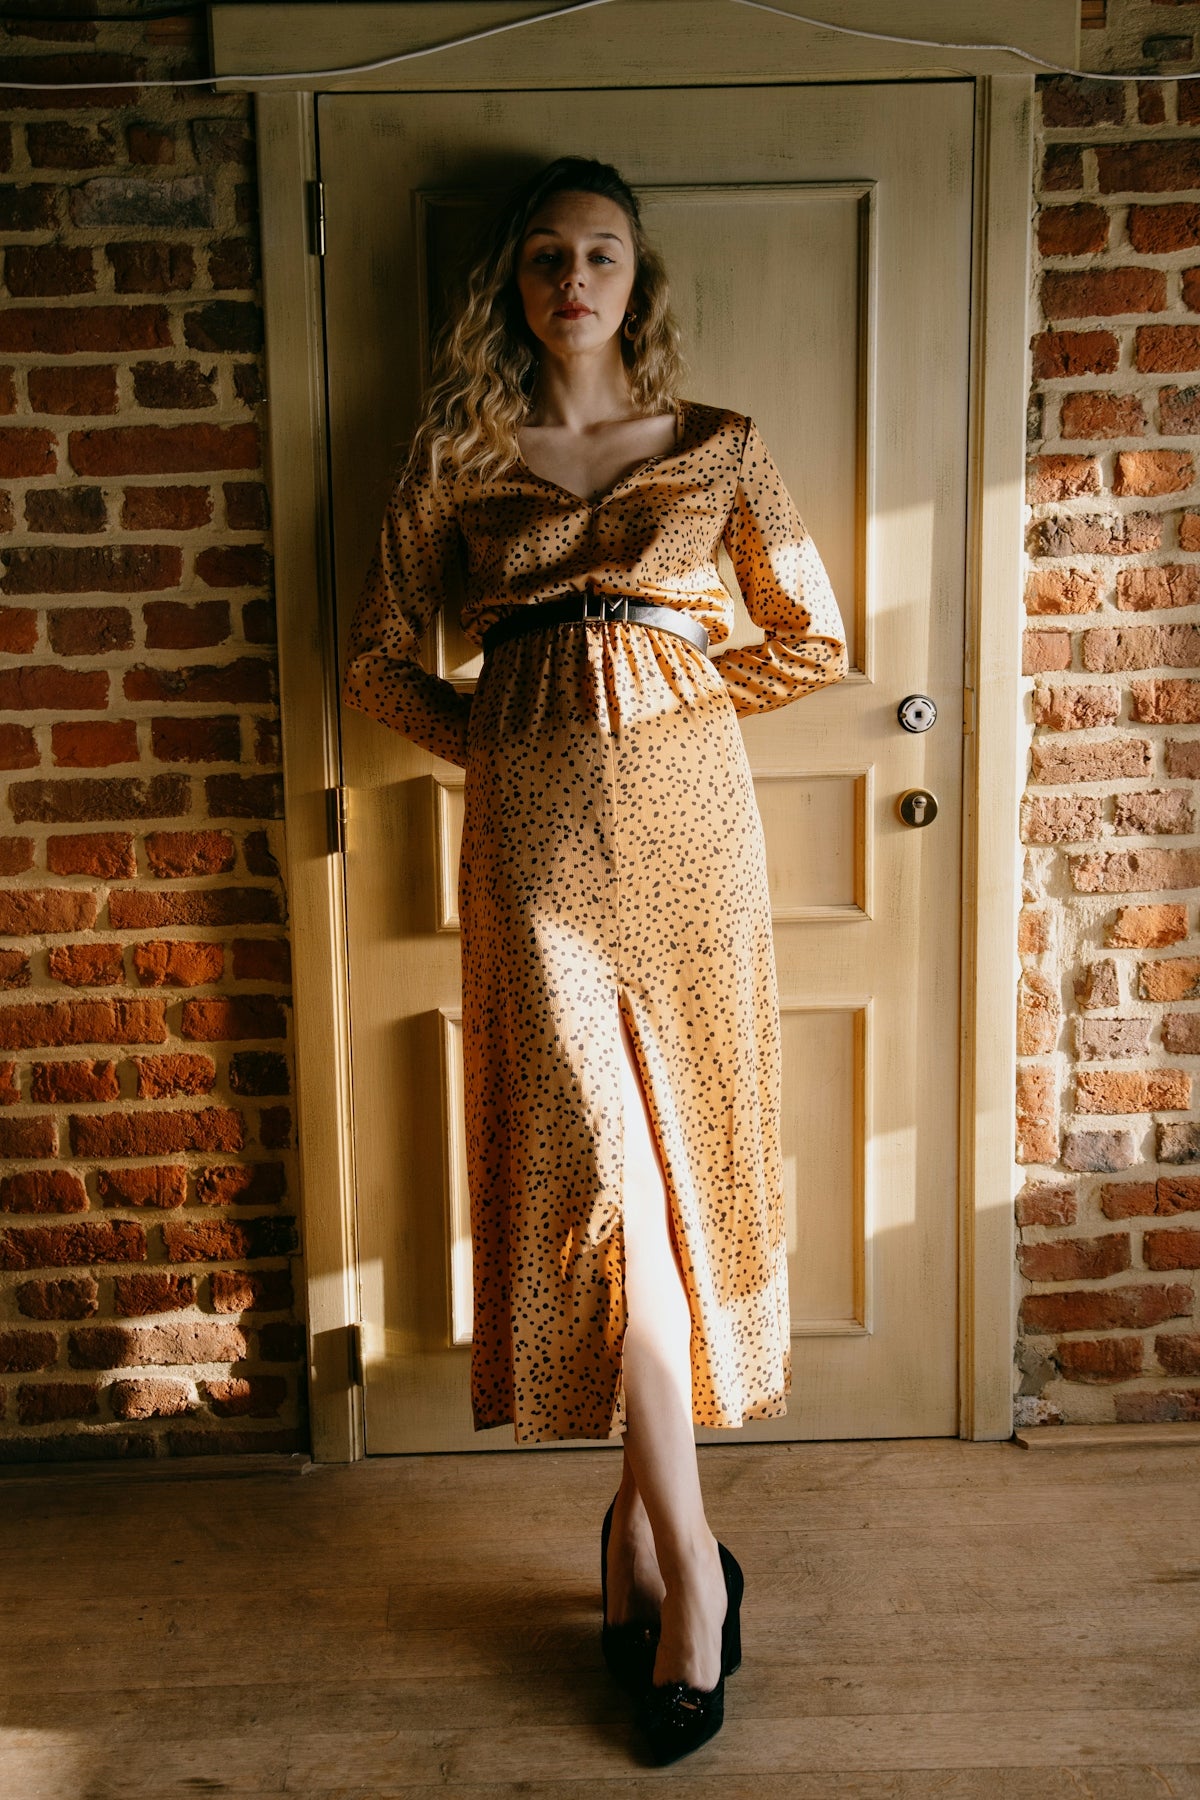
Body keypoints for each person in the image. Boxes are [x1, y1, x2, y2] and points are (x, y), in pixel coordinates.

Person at [341, 155, 847, 1764]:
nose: (577, 278)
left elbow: (811, 638)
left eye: (604, 254)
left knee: (678, 1169)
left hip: (697, 830)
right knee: (600, 1177)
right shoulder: (457, 465)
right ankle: (692, 1570)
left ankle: (641, 1542)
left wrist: (678, 689)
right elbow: (372, 660)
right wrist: (495, 730)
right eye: (550, 255)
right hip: (534, 840)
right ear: (518, 281)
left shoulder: (719, 451)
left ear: (641, 280)